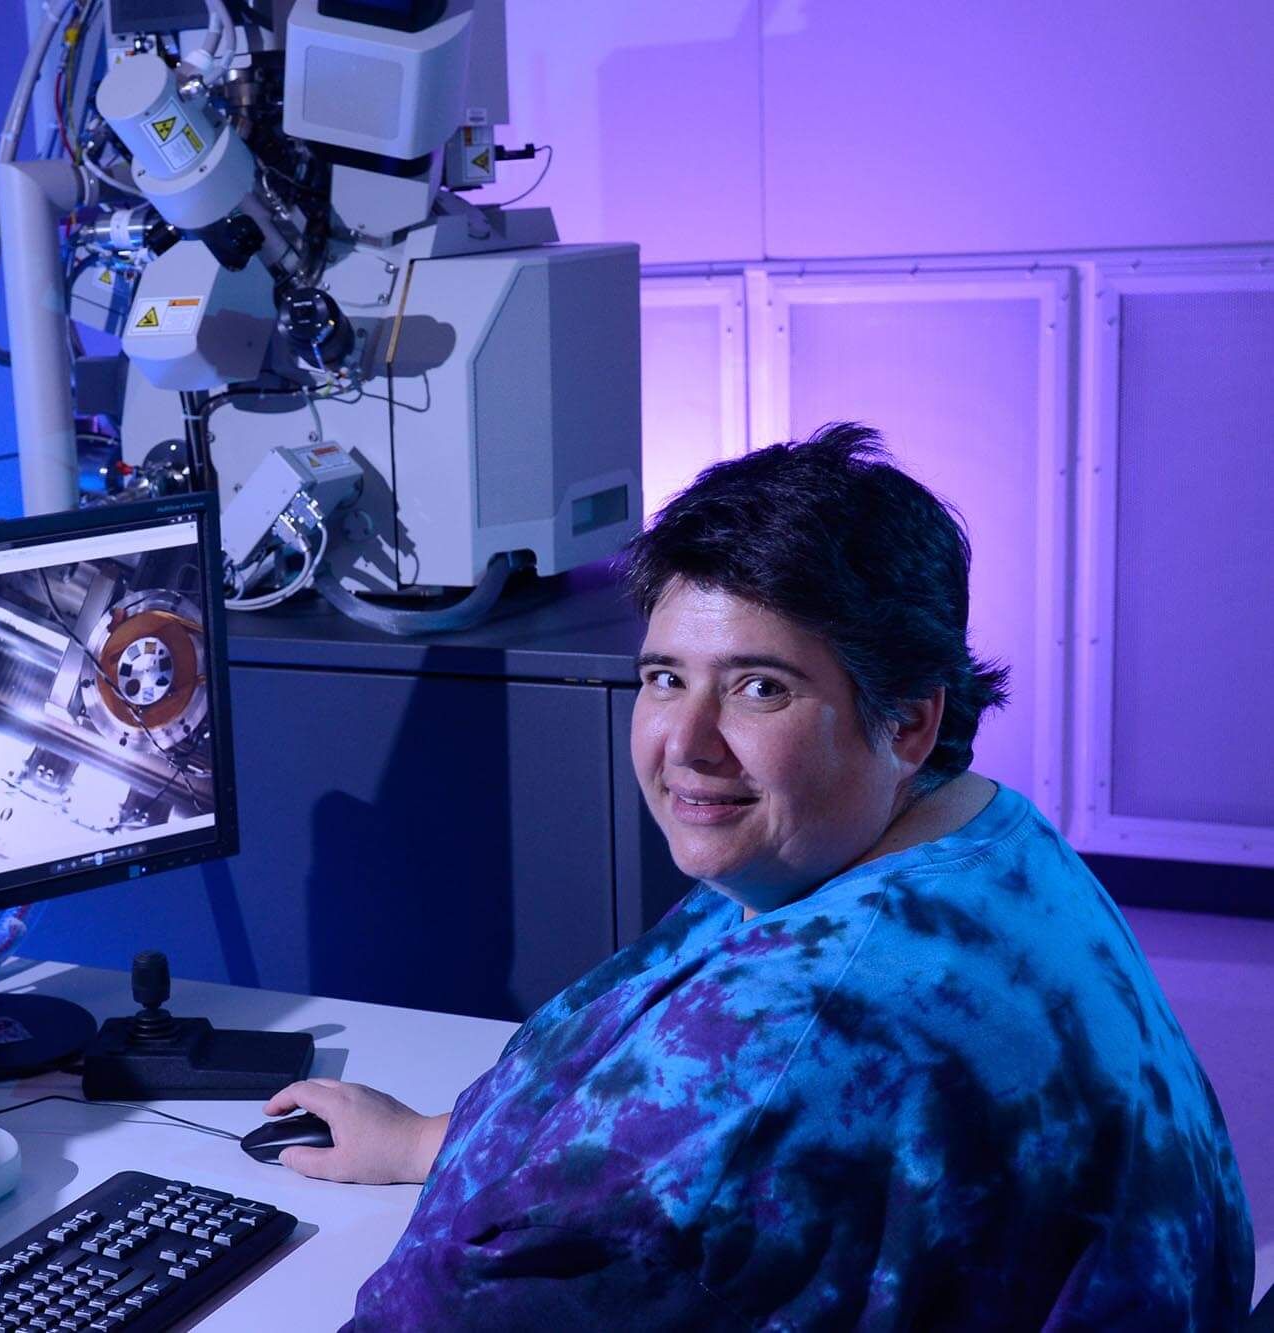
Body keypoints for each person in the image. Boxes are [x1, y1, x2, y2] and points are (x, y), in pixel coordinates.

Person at [262, 424, 1254, 1330]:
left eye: (760, 687)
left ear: (905, 719)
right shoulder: (970, 837)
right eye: (663, 677)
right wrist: (431, 1142)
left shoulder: (803, 1028)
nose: (685, 744)